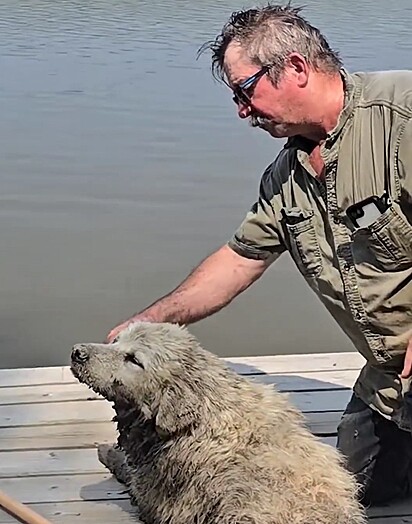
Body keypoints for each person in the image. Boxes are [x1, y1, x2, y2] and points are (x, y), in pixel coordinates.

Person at [106, 4, 412, 506]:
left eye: (244, 91)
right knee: (349, 492)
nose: (241, 111)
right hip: (391, 379)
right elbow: (237, 261)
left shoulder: (401, 114)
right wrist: (150, 319)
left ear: (295, 67)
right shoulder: (284, 177)